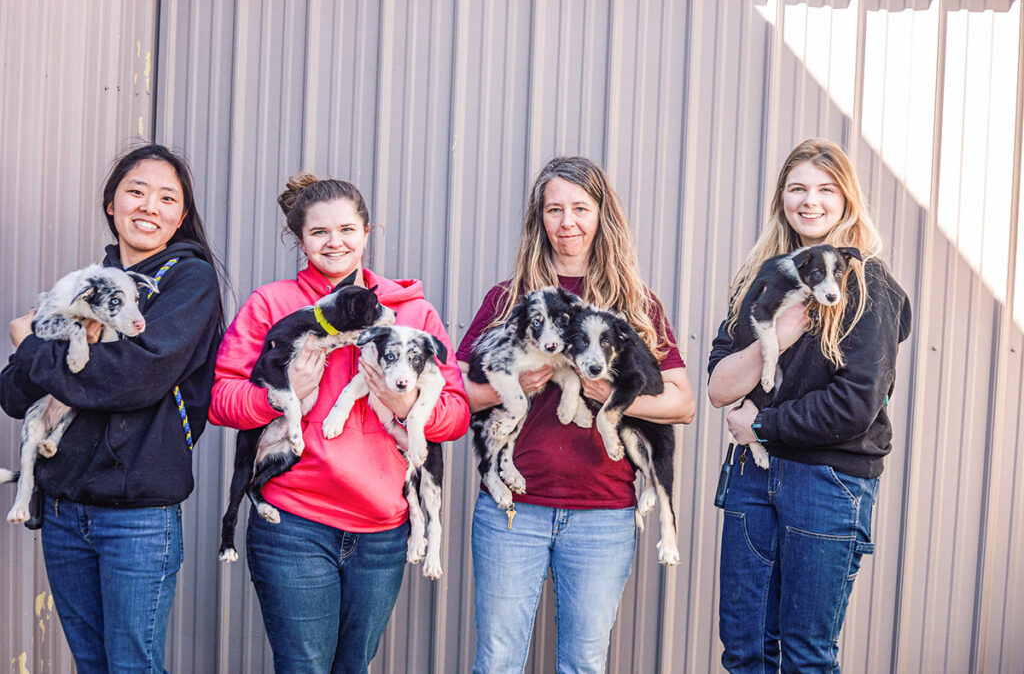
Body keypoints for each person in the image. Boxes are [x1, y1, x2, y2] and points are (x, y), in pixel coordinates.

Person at [209, 173, 469, 673]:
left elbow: (455, 415)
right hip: (295, 524)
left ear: (367, 232)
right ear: (300, 239)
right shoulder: (272, 305)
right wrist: (280, 397)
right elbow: (221, 399)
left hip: (382, 528)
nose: (335, 243)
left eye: (347, 229)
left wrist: (406, 401)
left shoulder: (411, 312)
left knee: (354, 667)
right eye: (319, 233)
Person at [458, 156, 696, 673]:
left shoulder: (635, 304)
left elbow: (683, 402)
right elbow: (455, 392)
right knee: (497, 660)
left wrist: (608, 395)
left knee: (584, 664)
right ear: (538, 220)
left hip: (602, 512)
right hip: (512, 512)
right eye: (554, 209)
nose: (567, 222)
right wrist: (511, 387)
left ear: (601, 215)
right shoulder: (509, 300)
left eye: (580, 208)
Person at [0, 144, 225, 673]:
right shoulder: (83, 285)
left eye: (167, 198)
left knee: (132, 667)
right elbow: (12, 396)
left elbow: (133, 378)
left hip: (138, 516)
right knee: (91, 664)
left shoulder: (190, 282)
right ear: (112, 204)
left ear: (181, 216)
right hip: (62, 508)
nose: (150, 206)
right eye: (136, 191)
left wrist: (30, 346)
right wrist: (42, 358)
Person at [707, 138, 912, 672]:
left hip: (827, 481)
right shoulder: (761, 278)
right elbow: (719, 386)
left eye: (826, 189)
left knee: (805, 657)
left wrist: (763, 425)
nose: (810, 201)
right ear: (782, 198)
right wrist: (776, 333)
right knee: (746, 652)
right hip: (754, 480)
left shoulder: (867, 285)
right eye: (797, 188)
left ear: (847, 199)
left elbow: (854, 405)